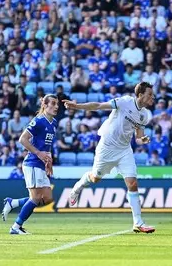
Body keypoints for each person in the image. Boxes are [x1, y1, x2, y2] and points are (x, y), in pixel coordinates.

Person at [63, 82, 155, 234]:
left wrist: (143, 139)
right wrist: (76, 106)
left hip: (125, 150)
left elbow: (138, 137)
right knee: (95, 178)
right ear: (140, 95)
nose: (153, 97)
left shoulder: (144, 115)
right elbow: (98, 105)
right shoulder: (124, 102)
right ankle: (77, 188)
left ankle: (138, 223)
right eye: (150, 94)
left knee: (132, 183)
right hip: (107, 147)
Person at [1, 94, 58, 234]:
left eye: (57, 104)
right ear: (44, 105)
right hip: (32, 162)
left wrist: (48, 162)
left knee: (47, 198)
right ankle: (15, 227)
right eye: (53, 104)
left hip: (41, 164)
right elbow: (23, 139)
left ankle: (13, 203)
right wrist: (39, 154)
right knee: (36, 197)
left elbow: (47, 146)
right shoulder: (38, 121)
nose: (56, 107)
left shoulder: (54, 123)